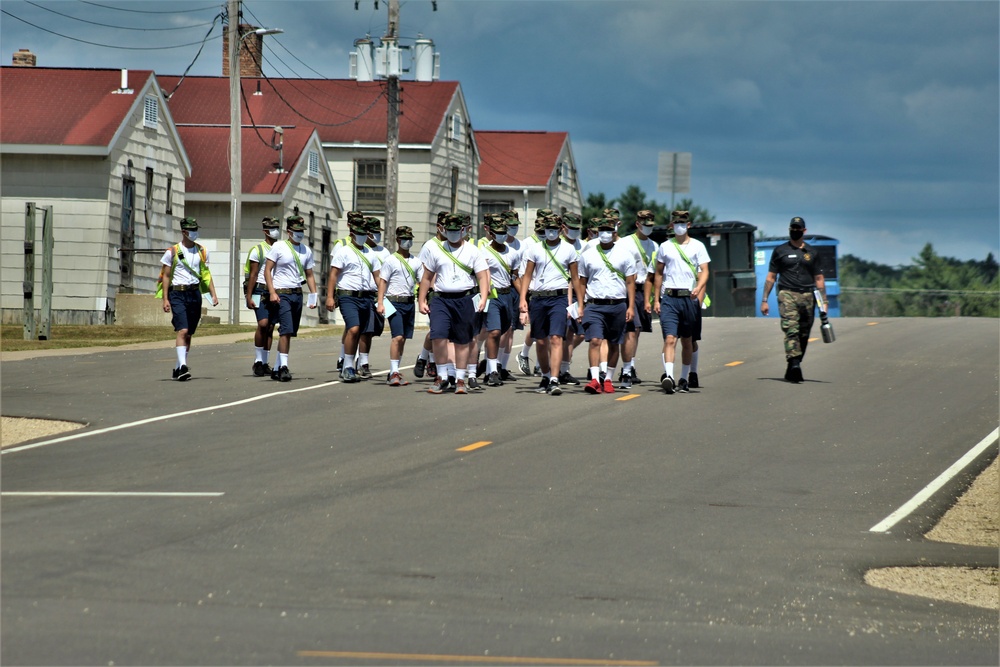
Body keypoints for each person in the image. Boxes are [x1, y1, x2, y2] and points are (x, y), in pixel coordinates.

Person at [417, 213, 490, 395]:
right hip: (441, 299)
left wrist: (483, 297)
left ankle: (459, 379)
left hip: (464, 299)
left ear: (463, 230)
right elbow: (426, 278)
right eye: (449, 230)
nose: (453, 234)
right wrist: (421, 299)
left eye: (456, 230)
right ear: (443, 230)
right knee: (438, 336)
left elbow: (482, 276)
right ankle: (441, 377)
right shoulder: (435, 250)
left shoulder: (473, 251)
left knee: (462, 340)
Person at [517, 213, 585, 396]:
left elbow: (576, 279)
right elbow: (527, 276)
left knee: (556, 338)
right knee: (540, 340)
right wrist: (523, 299)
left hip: (559, 298)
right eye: (548, 230)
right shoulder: (534, 249)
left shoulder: (569, 250)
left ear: (561, 229)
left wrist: (580, 304)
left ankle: (555, 379)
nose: (551, 233)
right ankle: (546, 376)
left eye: (555, 229)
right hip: (538, 298)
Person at [649, 211, 710, 394]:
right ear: (671, 225)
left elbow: (705, 270)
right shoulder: (665, 247)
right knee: (669, 338)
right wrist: (657, 299)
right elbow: (658, 274)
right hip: (669, 298)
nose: (679, 226)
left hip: (688, 298)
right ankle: (669, 376)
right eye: (676, 223)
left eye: (682, 223)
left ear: (688, 225)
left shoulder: (698, 246)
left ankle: (684, 377)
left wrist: (699, 288)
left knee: (687, 340)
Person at [760, 216, 827, 383]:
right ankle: (794, 363)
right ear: (789, 229)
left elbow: (819, 278)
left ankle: (793, 365)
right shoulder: (780, 251)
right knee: (791, 329)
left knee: (804, 333)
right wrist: (764, 300)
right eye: (793, 228)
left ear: (804, 231)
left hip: (807, 296)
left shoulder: (812, 253)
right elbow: (770, 277)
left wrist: (823, 302)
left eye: (798, 229)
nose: (795, 231)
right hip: (787, 293)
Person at [578, 217, 637, 394]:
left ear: (614, 232)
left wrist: (631, 306)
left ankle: (609, 378)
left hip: (617, 304)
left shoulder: (625, 254)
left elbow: (630, 282)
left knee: (613, 343)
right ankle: (595, 379)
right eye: (601, 230)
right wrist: (581, 305)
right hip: (595, 305)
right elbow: (581, 282)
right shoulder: (587, 254)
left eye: (608, 230)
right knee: (595, 340)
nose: (605, 234)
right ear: (597, 232)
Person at [159, 217, 219, 381]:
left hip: (194, 293)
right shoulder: (172, 252)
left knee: (189, 333)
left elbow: (206, 275)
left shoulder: (202, 251)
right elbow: (166, 276)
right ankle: (184, 366)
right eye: (192, 230)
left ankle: (179, 367)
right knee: (182, 330)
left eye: (196, 229)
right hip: (178, 293)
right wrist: (165, 299)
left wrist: (213, 294)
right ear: (184, 232)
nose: (195, 233)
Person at [326, 214, 382, 383]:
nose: (363, 236)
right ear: (351, 233)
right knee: (354, 329)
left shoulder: (371, 254)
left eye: (365, 233)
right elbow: (333, 275)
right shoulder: (343, 251)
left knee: (363, 332)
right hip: (348, 296)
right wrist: (330, 296)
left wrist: (381, 299)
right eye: (359, 232)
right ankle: (348, 366)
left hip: (366, 297)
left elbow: (378, 278)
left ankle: (350, 365)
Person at [262, 215, 318, 382]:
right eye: (296, 231)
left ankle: (278, 366)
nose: (299, 234)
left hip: (297, 293)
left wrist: (313, 294)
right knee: (285, 330)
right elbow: (267, 270)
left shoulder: (306, 250)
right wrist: (272, 292)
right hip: (282, 293)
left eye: (301, 231)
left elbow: (309, 274)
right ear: (289, 231)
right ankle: (284, 367)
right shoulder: (279, 247)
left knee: (291, 331)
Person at [377, 226, 423, 386]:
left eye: (410, 238)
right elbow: (383, 281)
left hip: (409, 302)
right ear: (398, 240)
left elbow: (422, 281)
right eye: (404, 238)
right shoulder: (390, 260)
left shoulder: (416, 261)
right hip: (393, 302)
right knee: (396, 337)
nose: (407, 241)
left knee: (403, 338)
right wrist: (381, 302)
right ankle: (393, 372)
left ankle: (395, 369)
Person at [479, 215, 522, 386]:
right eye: (498, 232)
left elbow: (515, 277)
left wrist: (524, 297)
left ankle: (490, 368)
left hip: (507, 295)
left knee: (505, 331)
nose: (502, 235)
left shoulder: (512, 253)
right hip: (492, 297)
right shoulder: (483, 252)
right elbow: (478, 275)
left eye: (503, 232)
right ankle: (493, 371)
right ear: (491, 232)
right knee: (494, 332)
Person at [619, 209, 659, 388]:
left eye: (650, 225)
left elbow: (656, 272)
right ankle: (627, 369)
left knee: (638, 330)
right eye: (645, 225)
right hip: (630, 289)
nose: (648, 228)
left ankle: (630, 365)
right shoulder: (626, 243)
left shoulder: (655, 246)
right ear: (637, 224)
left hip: (646, 290)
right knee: (631, 328)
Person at [244, 216, 281, 377]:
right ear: (265, 231)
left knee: (271, 326)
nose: (276, 231)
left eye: (277, 227)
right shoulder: (258, 250)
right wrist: (249, 295)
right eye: (272, 228)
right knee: (263, 324)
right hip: (260, 290)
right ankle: (258, 360)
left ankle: (265, 362)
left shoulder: (281, 248)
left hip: (277, 290)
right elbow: (252, 275)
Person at [356, 216, 391, 379]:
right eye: (374, 232)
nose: (377, 235)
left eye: (379, 232)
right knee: (360, 329)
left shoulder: (384, 252)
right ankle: (360, 362)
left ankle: (359, 359)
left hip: (378, 295)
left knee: (372, 330)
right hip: (362, 292)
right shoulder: (361, 249)